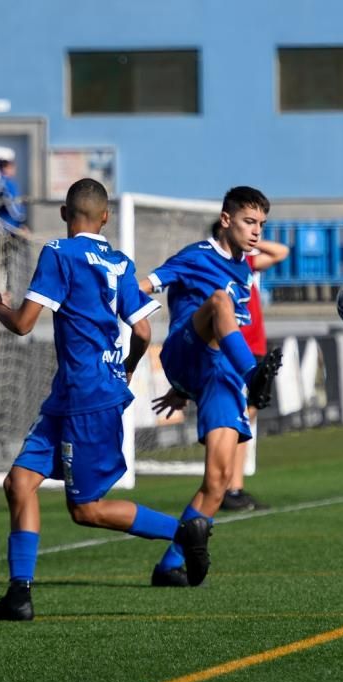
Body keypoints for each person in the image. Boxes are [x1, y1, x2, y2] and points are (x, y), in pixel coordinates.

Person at [0, 178, 204, 621]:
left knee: (87, 510)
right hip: (74, 395)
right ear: (106, 217)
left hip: (86, 399)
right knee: (18, 483)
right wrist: (129, 368)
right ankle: (19, 596)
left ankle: (182, 532)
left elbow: (22, 325)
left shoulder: (59, 253)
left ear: (64, 213)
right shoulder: (119, 262)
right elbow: (141, 330)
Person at [139, 186, 283, 588]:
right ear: (226, 219)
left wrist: (185, 389)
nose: (256, 232)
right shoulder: (195, 256)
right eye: (249, 222)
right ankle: (254, 376)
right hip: (185, 349)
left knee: (218, 482)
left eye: (261, 225)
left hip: (217, 374)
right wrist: (119, 322)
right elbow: (143, 286)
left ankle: (169, 566)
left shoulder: (243, 268)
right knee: (220, 302)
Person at [220, 232, 290, 511]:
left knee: (248, 416)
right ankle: (223, 486)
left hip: (256, 348)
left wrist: (251, 244)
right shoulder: (217, 268)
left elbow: (281, 252)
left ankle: (235, 487)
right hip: (236, 350)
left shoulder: (247, 264)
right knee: (233, 419)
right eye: (247, 227)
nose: (253, 233)